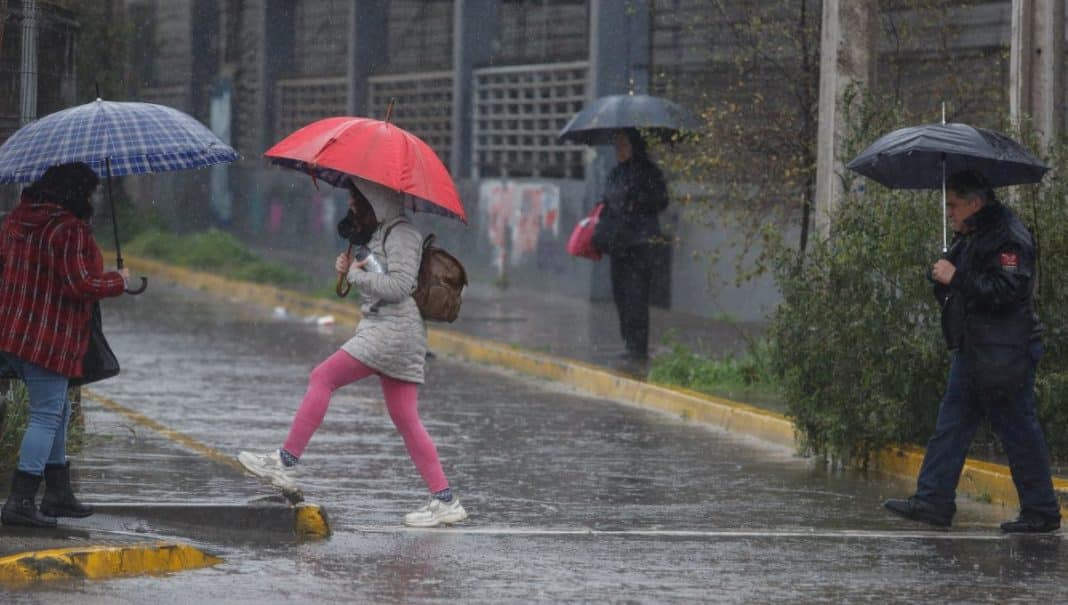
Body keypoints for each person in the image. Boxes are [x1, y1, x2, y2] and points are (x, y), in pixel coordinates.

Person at [238, 180, 468, 528]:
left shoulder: (402, 234)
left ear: (375, 199)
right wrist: (351, 269)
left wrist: (357, 277)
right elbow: (378, 278)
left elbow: (400, 287)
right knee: (406, 419)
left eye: (355, 199)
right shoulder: (382, 231)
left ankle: (284, 463)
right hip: (389, 329)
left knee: (323, 377)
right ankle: (445, 500)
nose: (351, 205)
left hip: (392, 330)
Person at [883, 170, 1061, 533]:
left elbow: (1008, 291)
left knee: (1018, 430)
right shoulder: (973, 233)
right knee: (951, 425)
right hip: (975, 349)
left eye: (953, 205)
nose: (948, 212)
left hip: (1004, 352)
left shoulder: (1008, 237)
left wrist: (957, 277)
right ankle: (933, 500)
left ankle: (1041, 512)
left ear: (975, 203)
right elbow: (957, 283)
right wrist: (940, 275)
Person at [0, 162, 130, 527]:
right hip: (49, 335)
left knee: (58, 410)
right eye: (93, 191)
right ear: (78, 193)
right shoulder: (68, 229)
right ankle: (21, 501)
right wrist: (117, 280)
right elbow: (79, 284)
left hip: (15, 332)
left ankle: (58, 492)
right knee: (45, 415)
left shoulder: (17, 220)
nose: (97, 198)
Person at [596, 128, 669, 362]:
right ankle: (628, 342)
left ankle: (639, 349)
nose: (619, 149)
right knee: (621, 295)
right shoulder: (615, 173)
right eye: (616, 144)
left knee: (637, 296)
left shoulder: (649, 173)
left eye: (623, 144)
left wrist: (637, 199)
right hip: (618, 243)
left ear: (634, 146)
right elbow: (608, 201)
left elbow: (661, 201)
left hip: (640, 243)